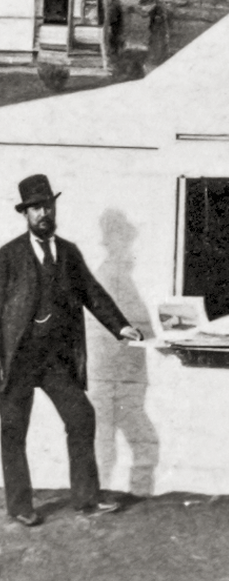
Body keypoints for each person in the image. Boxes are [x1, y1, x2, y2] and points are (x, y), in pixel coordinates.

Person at [0, 175, 143, 527]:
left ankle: (86, 499)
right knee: (12, 430)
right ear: (25, 213)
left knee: (81, 417)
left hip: (54, 360)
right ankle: (20, 506)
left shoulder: (68, 253)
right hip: (17, 359)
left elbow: (92, 292)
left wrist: (120, 326)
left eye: (48, 205)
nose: (44, 213)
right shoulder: (8, 256)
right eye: (36, 208)